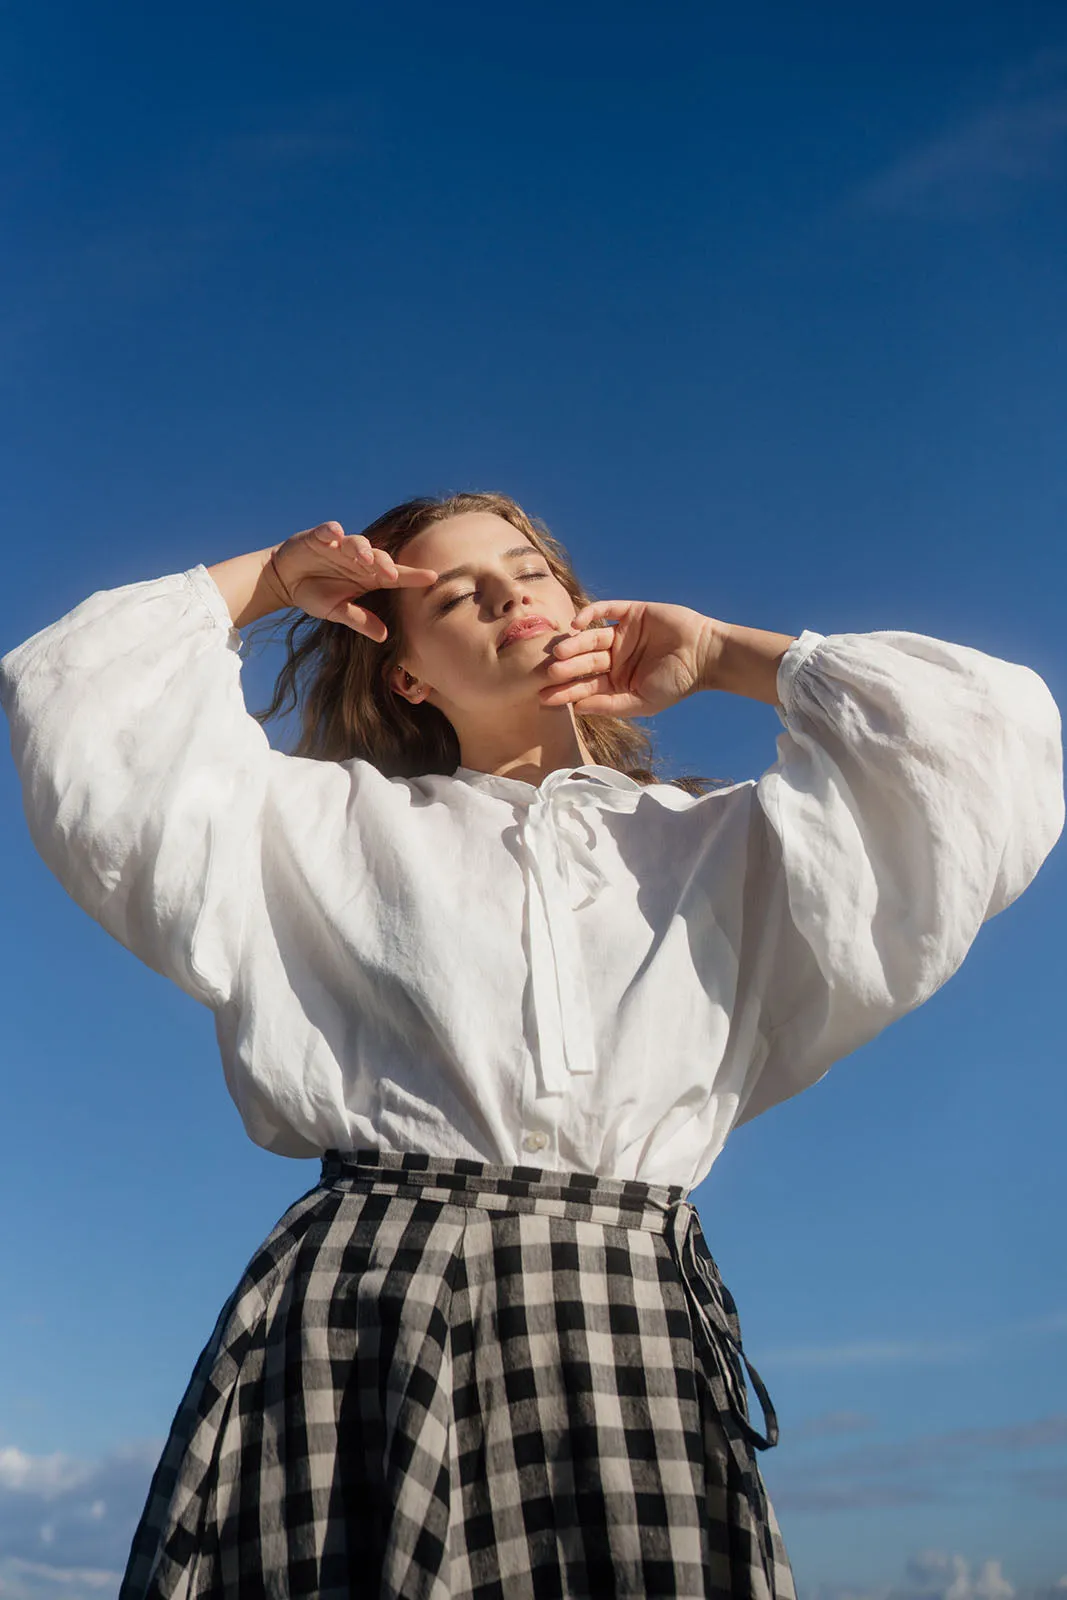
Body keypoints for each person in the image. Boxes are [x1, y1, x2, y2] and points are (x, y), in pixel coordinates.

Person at [0, 490, 1061, 1600]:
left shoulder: (724, 844)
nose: (509, 593)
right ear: (403, 670)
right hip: (370, 1318)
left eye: (529, 570)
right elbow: (85, 700)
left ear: (579, 601)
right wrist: (271, 579)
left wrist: (723, 654)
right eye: (457, 592)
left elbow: (978, 746)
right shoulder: (313, 826)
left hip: (629, 1323)